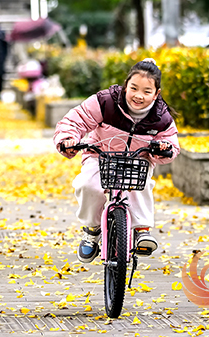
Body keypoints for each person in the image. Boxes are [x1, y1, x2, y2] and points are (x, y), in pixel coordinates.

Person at [53, 58, 180, 263]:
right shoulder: (106, 101)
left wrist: (163, 149)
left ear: (156, 94)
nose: (139, 96)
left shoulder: (161, 117)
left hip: (137, 160)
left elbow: (170, 142)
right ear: (125, 85)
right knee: (88, 185)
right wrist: (68, 139)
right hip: (100, 155)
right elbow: (75, 120)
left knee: (141, 186)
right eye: (134, 88)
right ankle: (92, 230)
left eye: (147, 92)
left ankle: (141, 230)